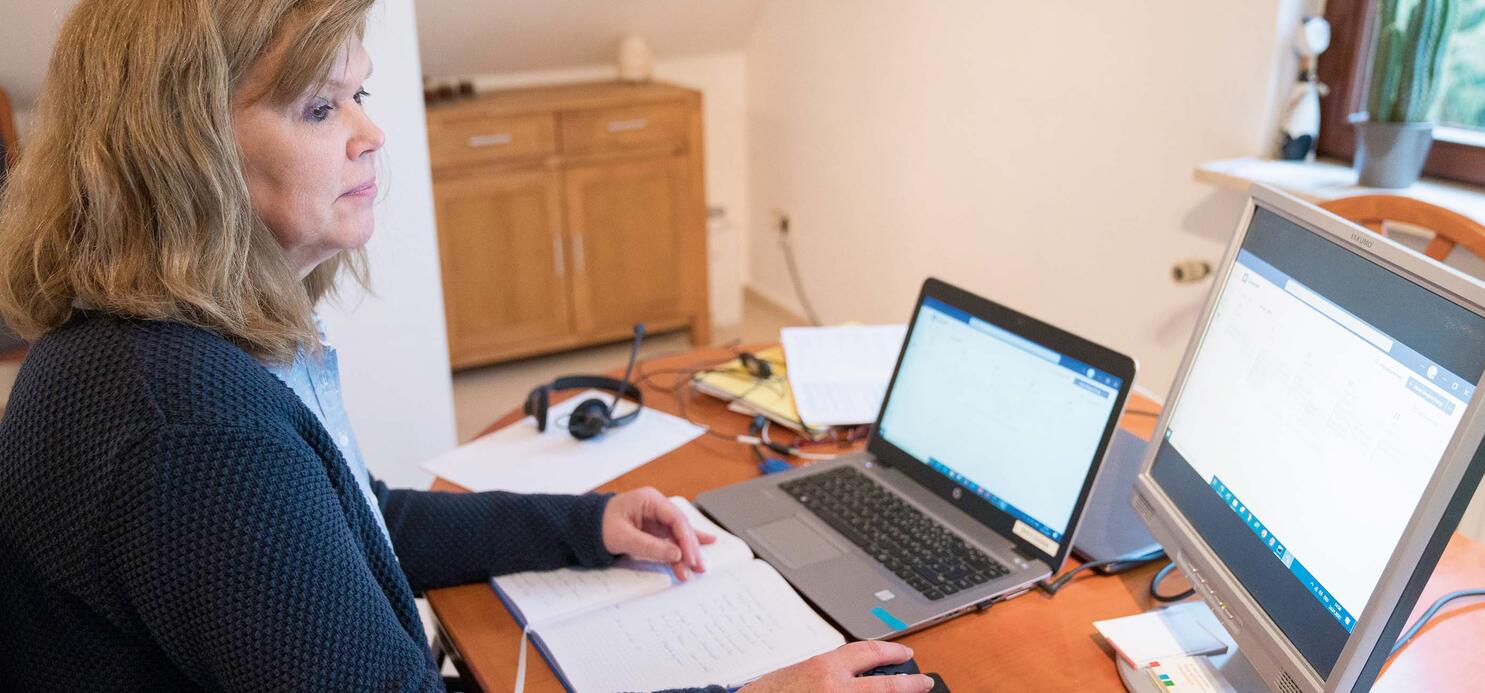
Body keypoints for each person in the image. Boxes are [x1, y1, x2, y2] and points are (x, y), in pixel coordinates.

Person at [0, 1, 935, 691]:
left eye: (357, 94)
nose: (372, 132)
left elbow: (358, 526)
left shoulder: (187, 346)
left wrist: (585, 525)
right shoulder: (189, 422)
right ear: (183, 151)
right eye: (320, 111)